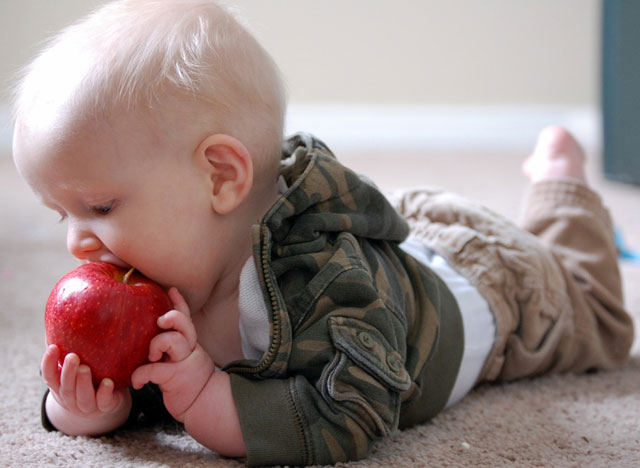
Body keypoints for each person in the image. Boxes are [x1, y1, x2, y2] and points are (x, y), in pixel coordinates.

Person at [11, 0, 634, 466]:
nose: (78, 244)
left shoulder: (326, 282)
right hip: (413, 251)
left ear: (220, 178)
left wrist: (204, 392)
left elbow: (353, 413)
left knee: (595, 313)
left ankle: (562, 184)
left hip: (494, 291)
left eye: (100, 206)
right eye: (65, 215)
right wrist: (93, 407)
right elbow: (142, 389)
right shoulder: (160, 275)